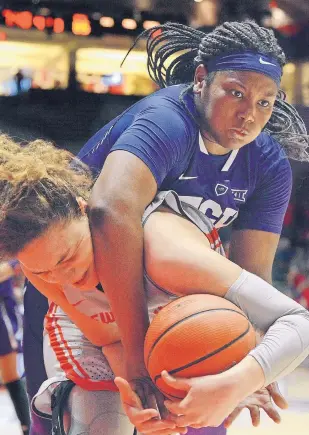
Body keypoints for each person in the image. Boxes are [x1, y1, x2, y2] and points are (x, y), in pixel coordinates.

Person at [22, 19, 309, 435]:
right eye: (236, 93)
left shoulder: (267, 165)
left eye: (265, 102)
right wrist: (139, 360)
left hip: (167, 291)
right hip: (74, 285)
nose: (249, 114)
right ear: (201, 79)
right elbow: (109, 211)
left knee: (198, 421)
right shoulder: (167, 121)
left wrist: (253, 364)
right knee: (87, 420)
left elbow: (252, 280)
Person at [1, 137, 309, 435]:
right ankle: (56, 407)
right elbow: (111, 340)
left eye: (68, 257)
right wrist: (144, 402)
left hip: (190, 315)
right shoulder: (41, 268)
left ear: (87, 211)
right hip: (105, 337)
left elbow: (299, 322)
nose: (64, 277)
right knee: (104, 423)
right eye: (45, 270)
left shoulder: (167, 254)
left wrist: (240, 380)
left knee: (200, 420)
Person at [0, 260, 30, 435]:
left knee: (11, 375)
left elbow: (18, 262)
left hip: (4, 318)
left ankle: (27, 427)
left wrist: (9, 268)